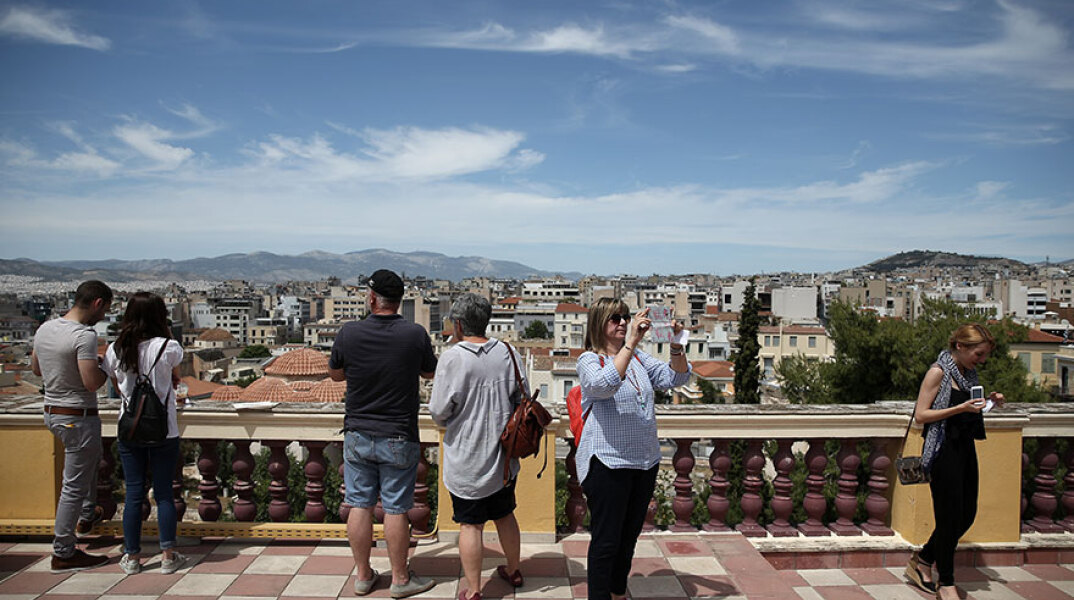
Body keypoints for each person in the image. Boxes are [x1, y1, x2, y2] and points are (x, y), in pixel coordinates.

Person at [328, 269, 437, 598]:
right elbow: (430, 372)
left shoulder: (349, 333)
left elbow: (335, 375)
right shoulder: (414, 334)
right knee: (395, 508)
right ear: (400, 301)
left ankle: (363, 576)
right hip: (399, 434)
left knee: (359, 505)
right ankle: (400, 579)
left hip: (358, 432)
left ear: (372, 298)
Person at [576, 298, 690, 600]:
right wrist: (631, 343)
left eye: (625, 316)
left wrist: (676, 344)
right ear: (599, 323)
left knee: (628, 538)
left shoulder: (639, 358)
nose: (623, 322)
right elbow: (602, 386)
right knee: (606, 541)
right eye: (615, 318)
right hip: (607, 463)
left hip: (643, 462)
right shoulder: (590, 360)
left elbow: (677, 377)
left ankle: (617, 592)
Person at [428, 294, 525, 600]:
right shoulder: (508, 351)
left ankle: (474, 590)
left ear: (458, 324)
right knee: (505, 515)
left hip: (467, 459)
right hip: (504, 457)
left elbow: (438, 411)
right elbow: (521, 397)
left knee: (471, 526)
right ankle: (514, 569)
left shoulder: (453, 358)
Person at [905, 323, 1004, 600]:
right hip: (943, 450)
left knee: (967, 514)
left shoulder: (968, 374)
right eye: (978, 354)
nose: (982, 360)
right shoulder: (938, 372)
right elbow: (921, 415)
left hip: (965, 448)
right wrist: (959, 407)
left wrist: (989, 404)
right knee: (948, 518)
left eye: (984, 355)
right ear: (960, 346)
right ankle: (946, 583)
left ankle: (924, 559)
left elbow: (968, 413)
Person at [101, 292, 186, 575]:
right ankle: (168, 555)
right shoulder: (169, 347)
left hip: (130, 428)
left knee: (134, 493)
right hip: (164, 428)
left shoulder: (116, 349)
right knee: (164, 493)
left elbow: (117, 385)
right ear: (160, 317)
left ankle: (132, 557)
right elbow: (174, 378)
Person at [31, 280, 113, 573]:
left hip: (52, 412)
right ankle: (63, 551)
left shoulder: (45, 328)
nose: (104, 316)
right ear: (97, 303)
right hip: (77, 415)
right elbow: (91, 382)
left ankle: (87, 514)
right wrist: (105, 367)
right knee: (73, 486)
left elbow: (36, 369)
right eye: (105, 310)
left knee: (89, 464)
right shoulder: (84, 335)